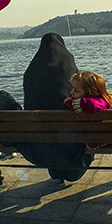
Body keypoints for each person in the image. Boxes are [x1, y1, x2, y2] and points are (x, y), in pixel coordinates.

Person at [20, 33, 92, 182]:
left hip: (40, 144)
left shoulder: (31, 72)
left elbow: (29, 104)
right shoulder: (68, 66)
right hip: (71, 141)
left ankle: (56, 171)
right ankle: (71, 172)